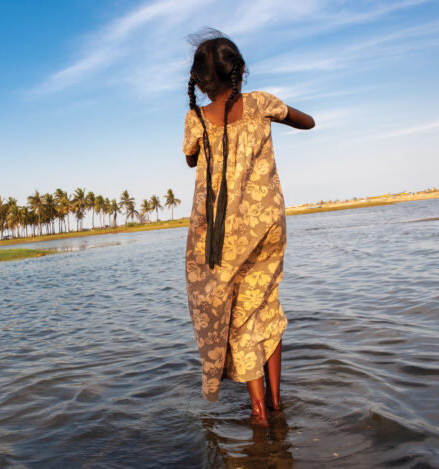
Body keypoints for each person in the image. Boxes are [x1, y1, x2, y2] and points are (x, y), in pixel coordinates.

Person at [182, 31, 314, 426]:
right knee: (266, 306)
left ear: (202, 83)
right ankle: (276, 401)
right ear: (239, 72)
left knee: (238, 317)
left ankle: (258, 411)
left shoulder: (196, 121)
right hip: (268, 225)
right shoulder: (261, 104)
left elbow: (190, 162)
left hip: (222, 236)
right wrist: (278, 114)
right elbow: (307, 122)